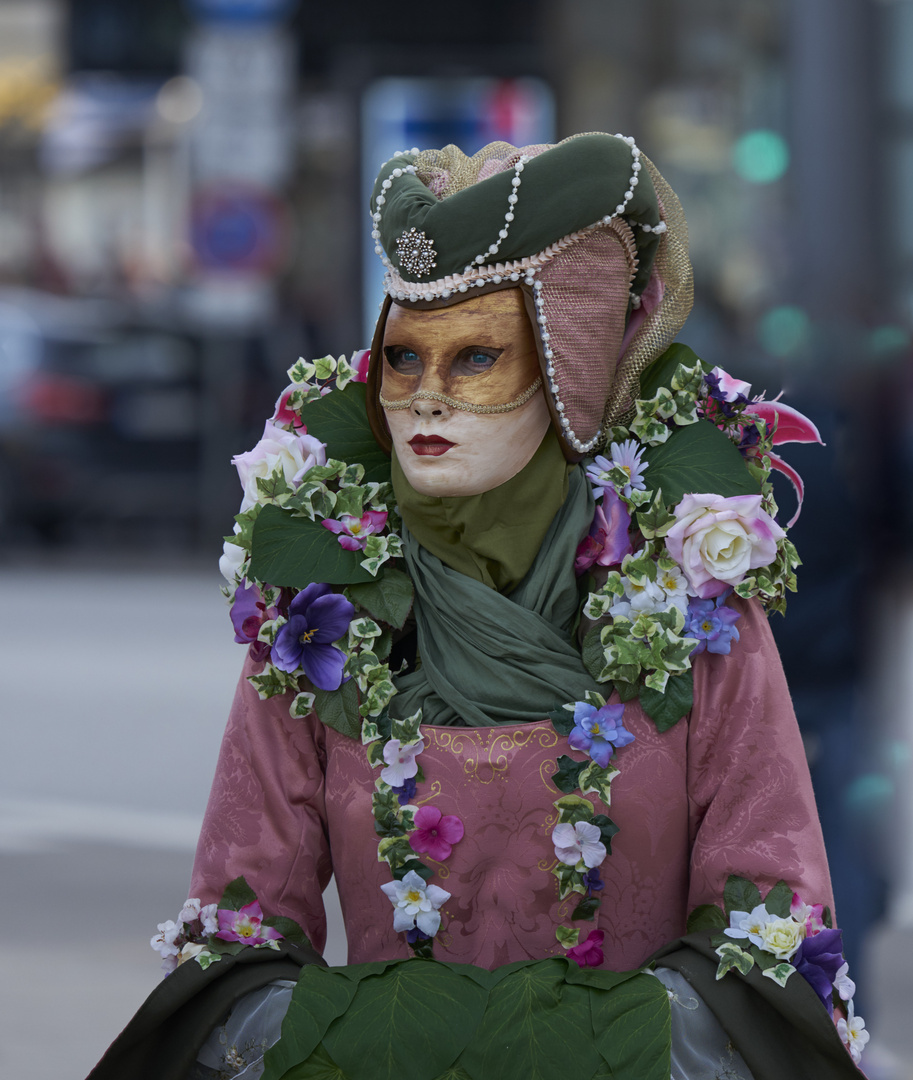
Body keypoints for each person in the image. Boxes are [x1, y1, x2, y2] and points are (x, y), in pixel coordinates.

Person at [89, 134, 867, 1080]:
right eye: (404, 358)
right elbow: (236, 934)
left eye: (475, 359)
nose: (424, 400)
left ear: (566, 374)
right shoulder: (320, 616)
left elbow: (771, 924)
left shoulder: (693, 609)